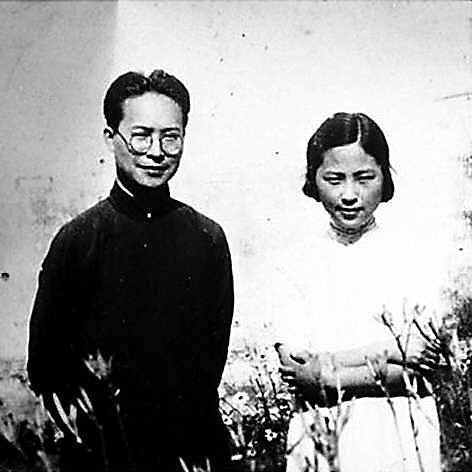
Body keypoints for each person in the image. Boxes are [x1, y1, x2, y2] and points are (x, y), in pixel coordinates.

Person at [27, 70, 234, 471]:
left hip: (191, 450)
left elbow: (210, 363)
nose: (156, 152)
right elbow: (45, 367)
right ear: (111, 138)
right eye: (141, 136)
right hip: (105, 453)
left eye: (170, 137)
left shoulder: (206, 238)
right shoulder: (78, 240)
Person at [274, 112, 444, 472]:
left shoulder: (414, 256)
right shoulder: (293, 265)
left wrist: (326, 371)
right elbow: (299, 373)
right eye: (334, 179)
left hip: (401, 434)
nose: (349, 195)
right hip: (322, 435)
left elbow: (419, 370)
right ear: (313, 180)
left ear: (384, 178)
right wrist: (391, 350)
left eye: (364, 178)